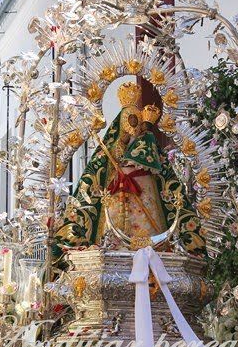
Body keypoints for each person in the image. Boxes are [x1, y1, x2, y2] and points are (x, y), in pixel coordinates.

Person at [56, 81, 205, 259]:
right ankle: (113, 245)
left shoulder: (147, 140)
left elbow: (154, 163)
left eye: (135, 119)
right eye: (129, 119)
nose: (133, 123)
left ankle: (152, 246)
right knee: (114, 223)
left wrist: (146, 132)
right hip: (119, 186)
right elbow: (108, 161)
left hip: (144, 186)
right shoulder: (115, 144)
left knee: (148, 220)